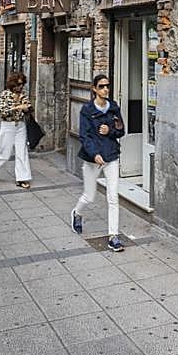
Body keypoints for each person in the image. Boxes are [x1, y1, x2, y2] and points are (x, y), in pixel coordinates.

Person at [72, 73, 127, 252]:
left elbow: (121, 131)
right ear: (94, 89)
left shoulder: (114, 108)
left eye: (107, 86)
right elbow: (84, 136)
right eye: (102, 86)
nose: (105, 89)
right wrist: (94, 154)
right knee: (89, 197)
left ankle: (113, 237)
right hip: (93, 159)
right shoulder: (87, 110)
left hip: (111, 156)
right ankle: (77, 213)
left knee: (113, 197)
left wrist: (109, 130)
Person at [0, 71, 32, 188]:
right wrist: (18, 107)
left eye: (22, 84)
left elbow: (29, 107)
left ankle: (22, 178)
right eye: (18, 84)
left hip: (20, 125)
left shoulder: (23, 95)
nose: (21, 86)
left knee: (21, 151)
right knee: (4, 151)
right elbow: (2, 112)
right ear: (12, 84)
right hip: (7, 125)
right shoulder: (5, 95)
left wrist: (27, 108)